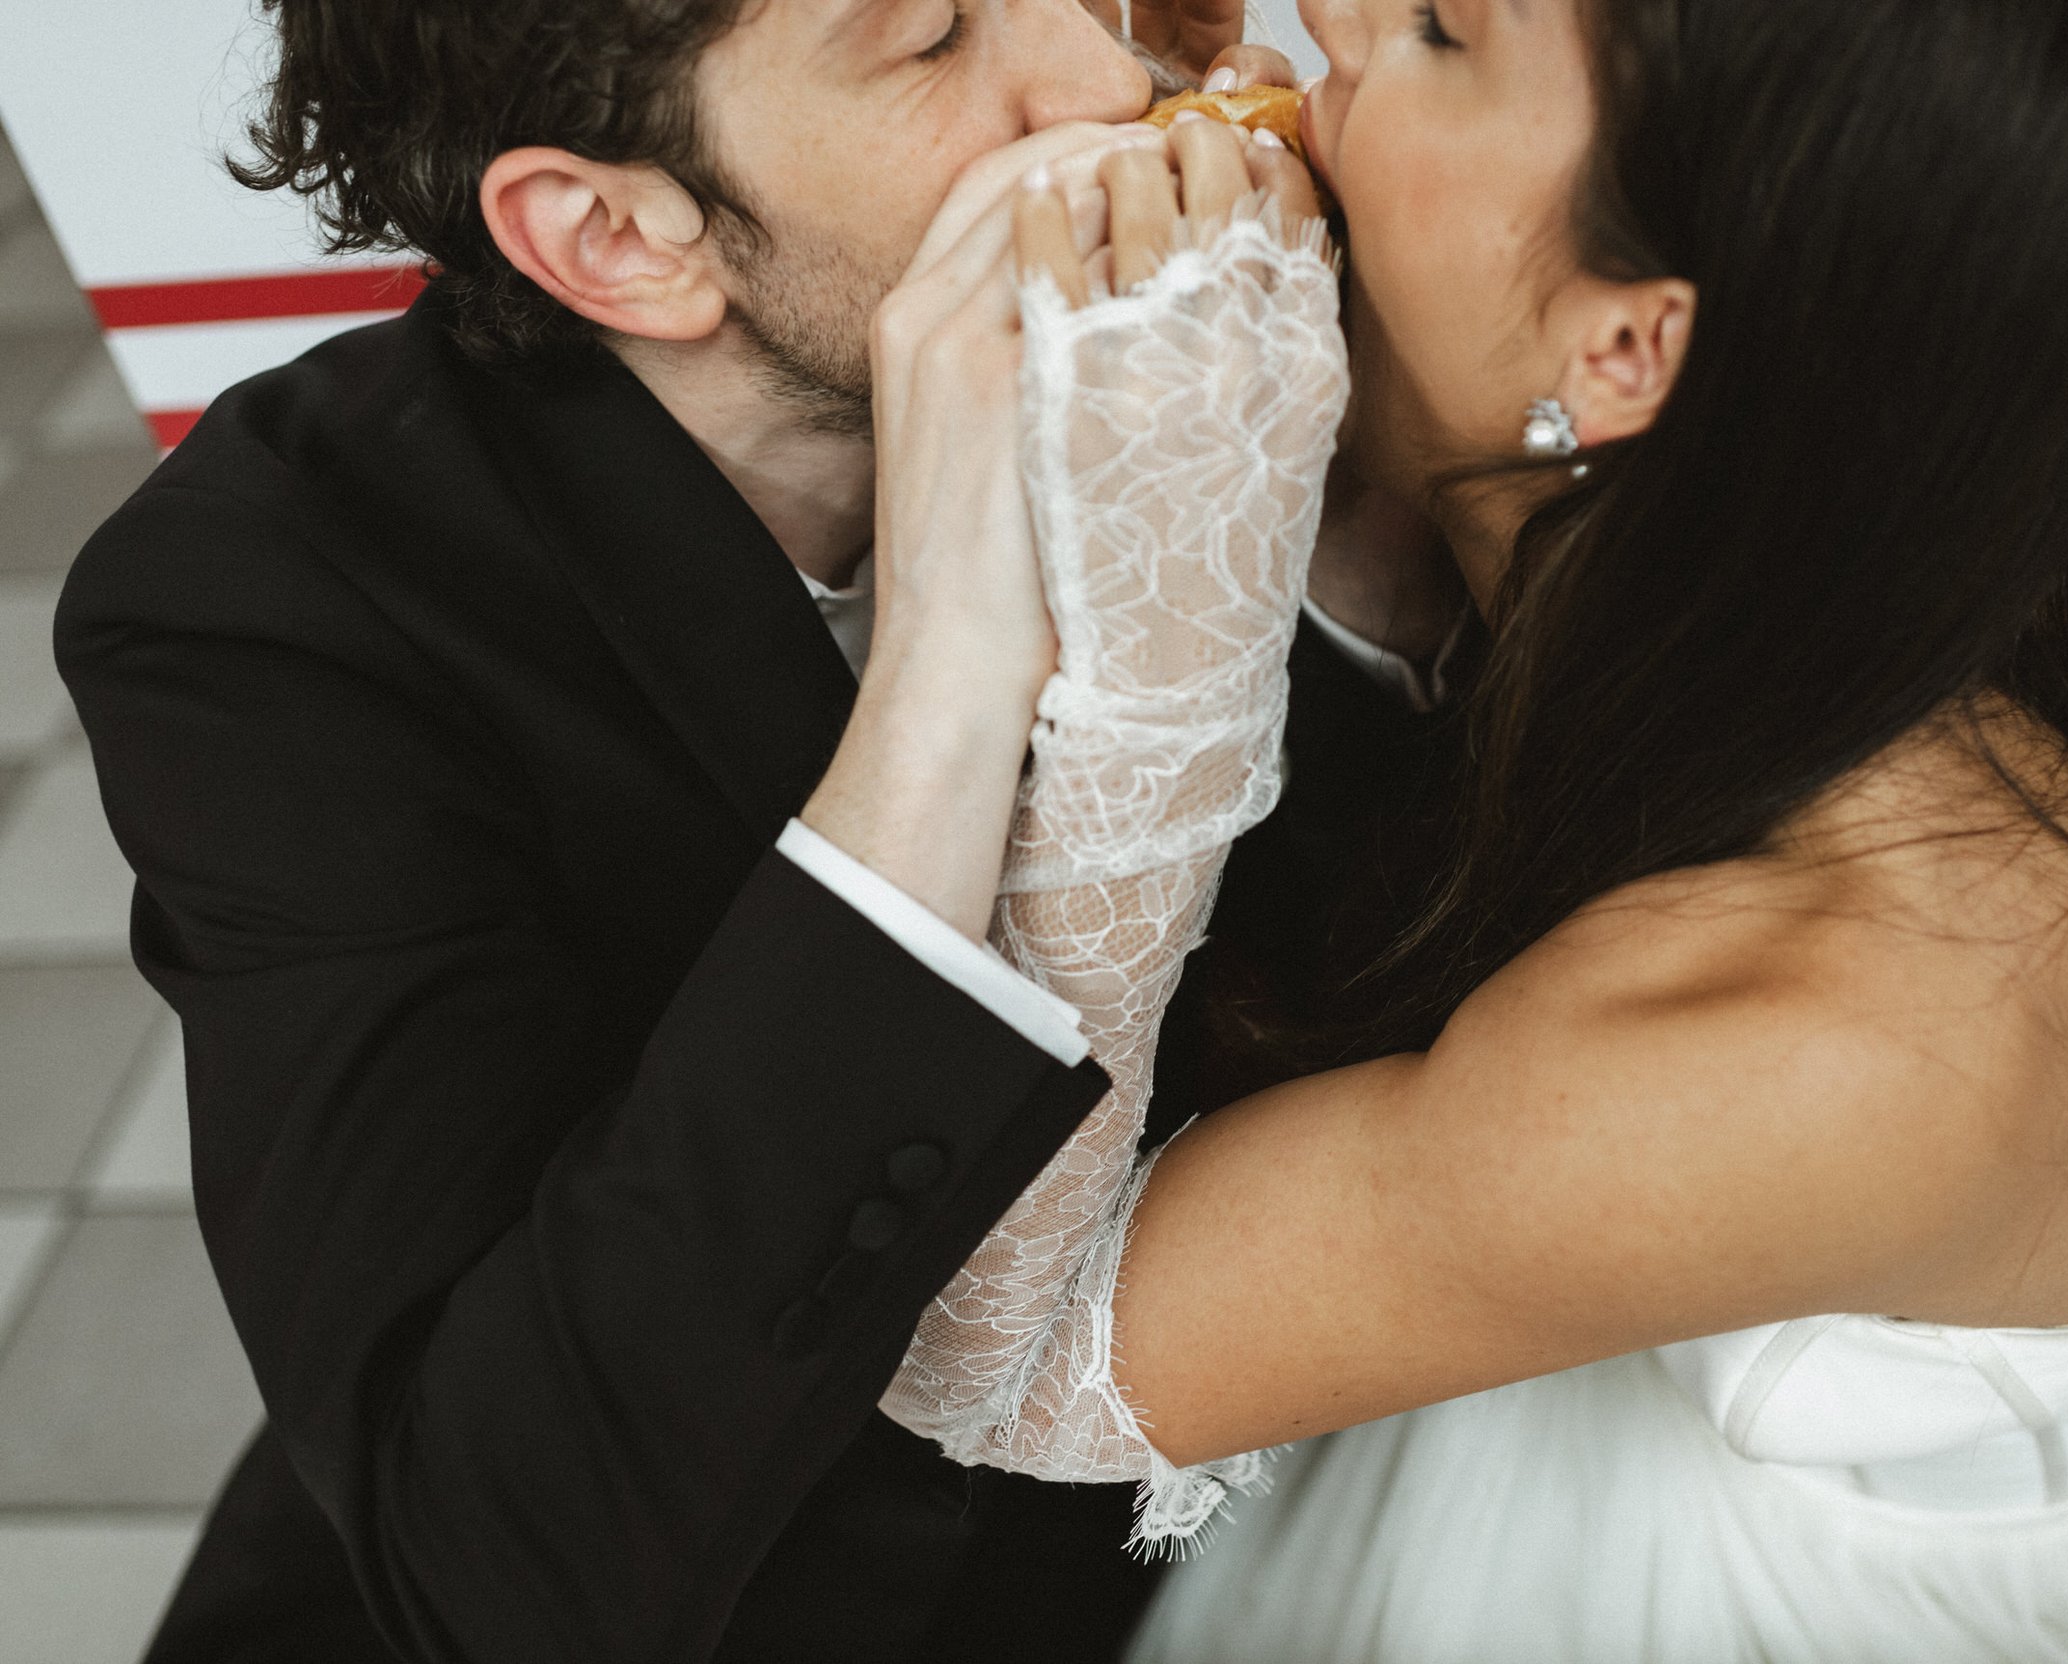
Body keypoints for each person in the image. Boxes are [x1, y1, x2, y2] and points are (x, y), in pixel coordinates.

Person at [853, 0, 2068, 1656]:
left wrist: (1157, 662)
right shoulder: (1773, 569)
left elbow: (990, 1358)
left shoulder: (1812, 1046)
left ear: (1628, 350)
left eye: (1436, 32)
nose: (1329, 17)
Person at [52, 3, 1453, 1660]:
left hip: (1203, 1502)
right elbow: (502, 1560)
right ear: (623, 239)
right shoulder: (273, 601)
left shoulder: (1237, 313)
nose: (1101, 76)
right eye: (932, 39)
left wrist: (1354, 513)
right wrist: (947, 655)